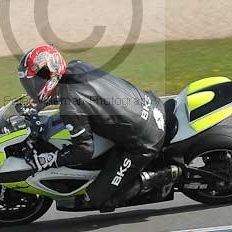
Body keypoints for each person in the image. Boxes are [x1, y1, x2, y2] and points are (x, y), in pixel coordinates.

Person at [18, 44, 176, 212]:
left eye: (35, 81)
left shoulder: (70, 108)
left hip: (144, 140)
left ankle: (165, 174)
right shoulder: (77, 66)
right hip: (149, 104)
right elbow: (73, 95)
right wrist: (34, 107)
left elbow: (84, 150)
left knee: (99, 198)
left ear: (51, 73)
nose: (32, 87)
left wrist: (50, 159)